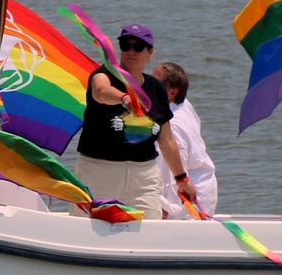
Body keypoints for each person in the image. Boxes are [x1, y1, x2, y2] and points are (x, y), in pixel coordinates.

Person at [74, 23, 197, 217]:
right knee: (90, 233)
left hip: (143, 176)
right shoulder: (103, 75)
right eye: (126, 45)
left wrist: (182, 179)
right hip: (100, 172)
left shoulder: (156, 88)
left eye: (138, 47)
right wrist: (124, 98)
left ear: (150, 52)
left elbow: (167, 141)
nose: (132, 51)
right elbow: (100, 92)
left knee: (150, 231)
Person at [153, 61, 219, 219]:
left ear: (172, 93)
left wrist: (165, 208)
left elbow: (173, 170)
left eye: (155, 83)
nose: (148, 85)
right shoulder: (183, 105)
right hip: (203, 188)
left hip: (189, 202)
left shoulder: (172, 124)